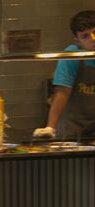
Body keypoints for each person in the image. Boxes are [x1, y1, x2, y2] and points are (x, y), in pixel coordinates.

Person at [34, 10, 95, 138]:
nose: (93, 39)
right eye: (85, 36)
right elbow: (62, 92)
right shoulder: (72, 55)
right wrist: (50, 127)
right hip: (72, 129)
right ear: (77, 41)